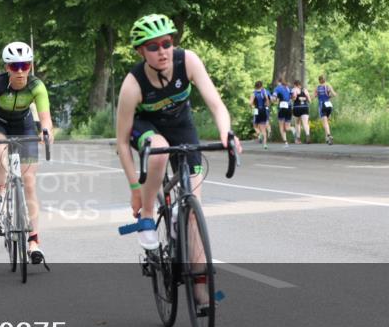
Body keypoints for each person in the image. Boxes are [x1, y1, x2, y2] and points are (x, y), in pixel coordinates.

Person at [115, 14, 239, 254]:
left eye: (167, 43)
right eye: (153, 47)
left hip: (182, 125)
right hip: (146, 127)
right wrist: (134, 190)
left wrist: (226, 132)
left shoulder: (188, 61)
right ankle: (148, 217)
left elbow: (216, 104)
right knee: (159, 151)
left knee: (193, 212)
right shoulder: (133, 85)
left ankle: (201, 289)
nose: (162, 51)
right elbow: (121, 142)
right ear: (141, 51)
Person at [0, 41, 53, 264]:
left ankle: (34, 242)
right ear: (6, 68)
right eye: (14, 66)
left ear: (30, 66)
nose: (20, 71)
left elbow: (45, 117)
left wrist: (46, 131)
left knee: (29, 182)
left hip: (25, 126)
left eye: (25, 65)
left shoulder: (37, 85)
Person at [272, 77, 293, 146]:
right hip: (289, 107)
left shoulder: (277, 88)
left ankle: (285, 142)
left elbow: (274, 98)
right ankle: (293, 129)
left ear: (278, 82)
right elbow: (293, 97)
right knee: (287, 128)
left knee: (281, 126)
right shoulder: (288, 88)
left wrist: (273, 100)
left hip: (282, 108)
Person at [250, 80, 272, 149]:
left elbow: (250, 103)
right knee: (263, 128)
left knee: (255, 125)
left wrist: (252, 106)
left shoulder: (254, 93)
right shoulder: (264, 92)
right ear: (261, 86)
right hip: (264, 110)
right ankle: (265, 144)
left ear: (255, 86)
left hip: (256, 110)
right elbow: (268, 103)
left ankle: (259, 134)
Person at [316, 75, 337, 144]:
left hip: (322, 105)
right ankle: (327, 139)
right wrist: (329, 96)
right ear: (325, 80)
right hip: (329, 105)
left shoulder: (318, 87)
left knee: (324, 123)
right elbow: (334, 94)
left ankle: (329, 135)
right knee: (326, 122)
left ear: (319, 80)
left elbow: (313, 96)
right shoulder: (328, 86)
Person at [290, 79, 312, 144]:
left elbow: (294, 98)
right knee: (305, 123)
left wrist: (292, 97)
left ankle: (298, 139)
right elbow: (309, 100)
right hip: (305, 107)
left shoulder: (294, 89)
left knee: (297, 123)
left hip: (297, 108)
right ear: (300, 84)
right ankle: (307, 136)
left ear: (295, 84)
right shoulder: (305, 90)